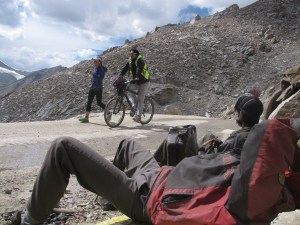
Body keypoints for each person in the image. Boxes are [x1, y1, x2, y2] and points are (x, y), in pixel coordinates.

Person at [15, 92, 275, 225]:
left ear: (239, 115)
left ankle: (31, 220)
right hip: (161, 180)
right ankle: (107, 197)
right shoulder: (248, 149)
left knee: (63, 147)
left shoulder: (241, 154)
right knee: (128, 144)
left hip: (150, 199)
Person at [119, 48, 150, 123]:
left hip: (144, 82)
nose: (131, 55)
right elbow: (125, 68)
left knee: (140, 98)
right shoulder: (130, 60)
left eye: (132, 54)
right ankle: (135, 107)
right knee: (128, 88)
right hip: (136, 81)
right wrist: (120, 76)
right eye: (130, 54)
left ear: (136, 54)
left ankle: (138, 116)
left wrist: (136, 76)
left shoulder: (140, 60)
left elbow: (139, 69)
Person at [79, 58, 108, 123]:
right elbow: (94, 77)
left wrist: (92, 74)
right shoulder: (95, 68)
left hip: (98, 88)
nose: (94, 62)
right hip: (93, 87)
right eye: (94, 61)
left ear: (99, 62)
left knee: (99, 103)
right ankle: (86, 118)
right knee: (89, 101)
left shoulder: (101, 70)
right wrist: (92, 77)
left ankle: (108, 111)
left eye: (95, 61)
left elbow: (100, 78)